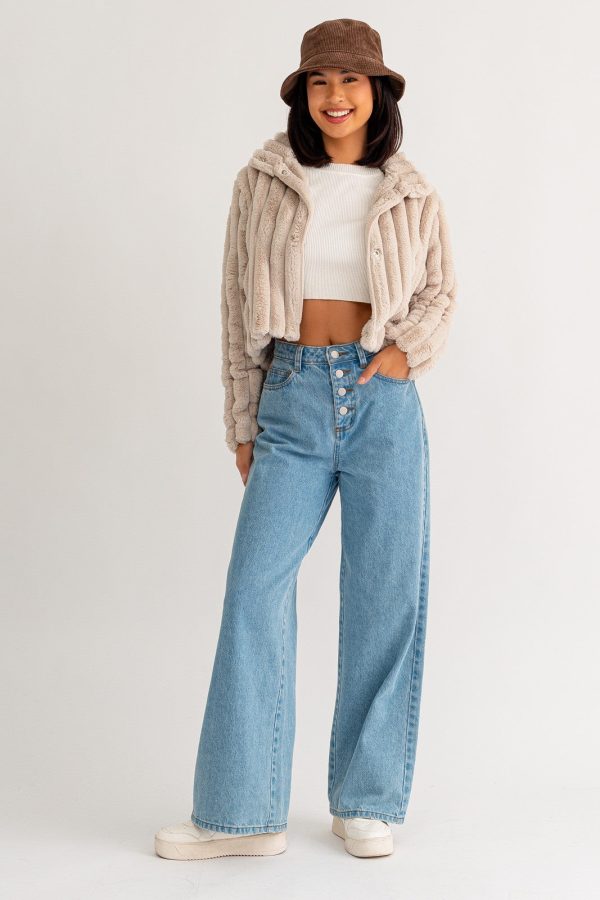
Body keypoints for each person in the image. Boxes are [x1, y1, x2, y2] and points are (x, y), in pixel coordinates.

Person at [155, 17, 457, 861]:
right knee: (254, 590)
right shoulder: (265, 182)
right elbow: (234, 307)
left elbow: (440, 292)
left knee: (384, 597)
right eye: (320, 81)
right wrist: (242, 420)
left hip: (382, 402)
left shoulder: (411, 192)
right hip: (289, 396)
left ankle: (366, 799)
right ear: (302, 94)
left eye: (351, 80)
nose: (335, 96)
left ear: (378, 92)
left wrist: (403, 354)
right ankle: (240, 813)